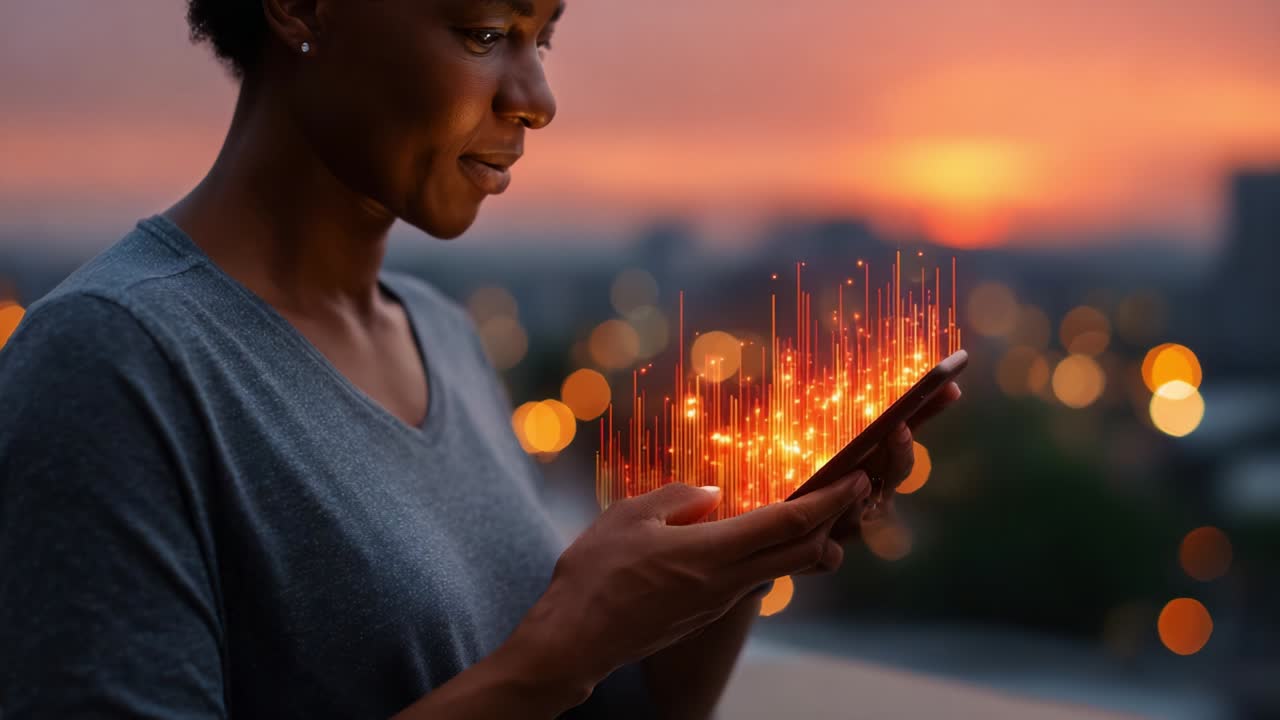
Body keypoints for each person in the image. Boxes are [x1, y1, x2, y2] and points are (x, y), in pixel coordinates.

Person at [0, 1, 961, 717]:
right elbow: (543, 679)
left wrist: (743, 560)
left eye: (542, 38)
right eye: (483, 32)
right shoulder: (111, 363)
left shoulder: (443, 338)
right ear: (299, 7)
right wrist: (554, 659)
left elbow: (593, 708)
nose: (535, 99)